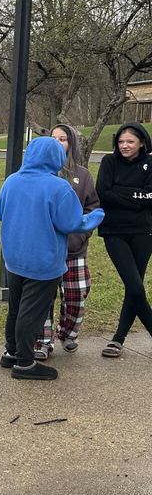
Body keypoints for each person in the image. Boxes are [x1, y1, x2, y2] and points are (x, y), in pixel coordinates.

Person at [0, 136, 104, 380]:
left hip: (14, 257)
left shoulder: (12, 181)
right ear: (56, 158)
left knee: (16, 307)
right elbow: (71, 223)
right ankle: (24, 363)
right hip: (43, 261)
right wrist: (96, 216)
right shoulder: (58, 187)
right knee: (31, 312)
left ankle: (11, 352)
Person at [34, 124, 100, 359]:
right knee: (42, 299)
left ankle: (68, 333)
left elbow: (92, 208)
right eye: (53, 138)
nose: (57, 142)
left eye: (62, 139)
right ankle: (42, 342)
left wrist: (80, 235)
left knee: (76, 296)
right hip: (45, 252)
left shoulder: (81, 175)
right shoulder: (40, 174)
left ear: (71, 143)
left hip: (73, 252)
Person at [95, 122, 152, 358]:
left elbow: (150, 197)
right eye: (121, 142)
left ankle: (118, 340)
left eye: (130, 141)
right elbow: (103, 192)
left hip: (143, 232)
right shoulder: (109, 162)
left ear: (141, 143)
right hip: (114, 231)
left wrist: (121, 192)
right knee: (136, 286)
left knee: (133, 286)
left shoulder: (151, 164)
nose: (125, 146)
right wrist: (137, 196)